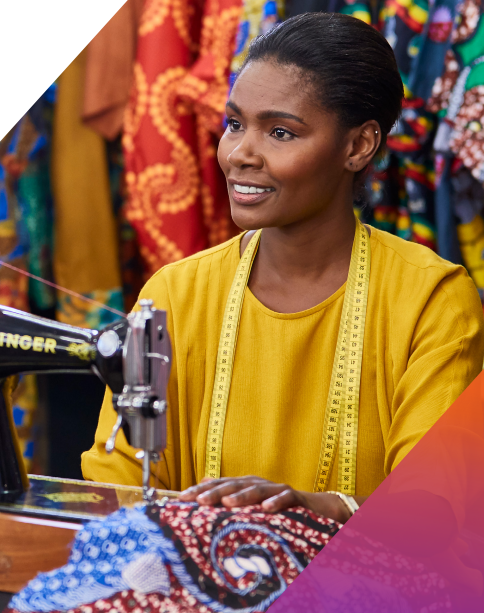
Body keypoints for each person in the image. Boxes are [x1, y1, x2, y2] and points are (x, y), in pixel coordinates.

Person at [82, 12, 484, 524]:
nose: (240, 154)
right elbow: (116, 488)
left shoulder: (430, 300)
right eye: (234, 124)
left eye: (279, 132)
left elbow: (434, 510)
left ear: (358, 146)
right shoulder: (176, 293)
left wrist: (309, 513)